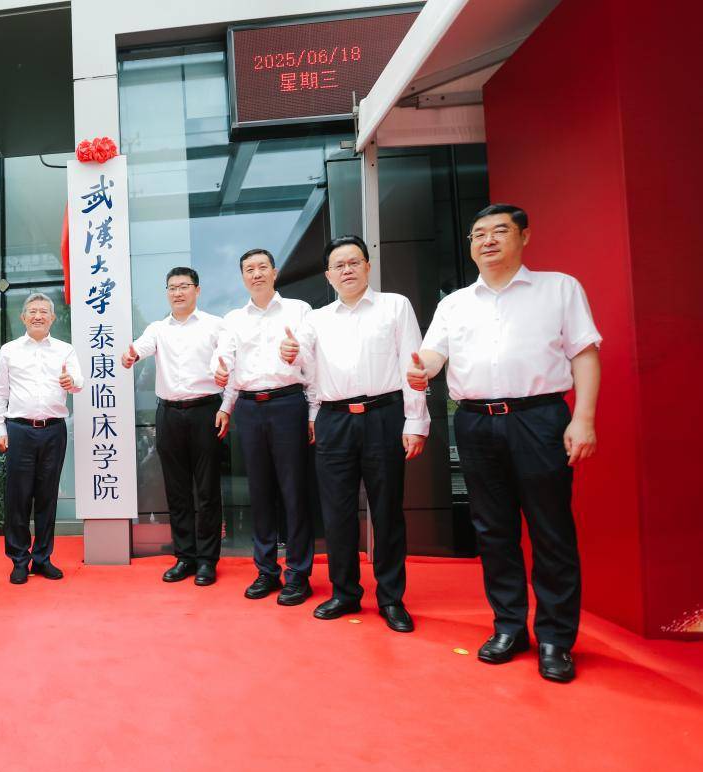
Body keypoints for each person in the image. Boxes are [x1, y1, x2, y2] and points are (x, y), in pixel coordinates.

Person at [409, 204, 600, 682]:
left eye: (499, 231)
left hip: (539, 419)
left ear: (524, 236)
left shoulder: (558, 288)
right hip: (475, 422)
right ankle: (509, 627)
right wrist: (421, 369)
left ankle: (555, 638)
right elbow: (433, 353)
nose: (487, 241)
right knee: (493, 530)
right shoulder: (455, 303)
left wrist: (583, 419)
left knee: (551, 529)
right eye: (478, 234)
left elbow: (585, 354)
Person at [283, 236, 428, 632]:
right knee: (337, 512)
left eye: (353, 262)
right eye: (338, 265)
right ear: (328, 275)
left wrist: (416, 422)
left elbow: (413, 367)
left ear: (367, 266)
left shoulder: (395, 306)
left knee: (387, 511)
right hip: (334, 420)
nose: (346, 270)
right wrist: (291, 355)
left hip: (384, 415)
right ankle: (344, 592)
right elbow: (306, 368)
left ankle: (391, 598)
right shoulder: (316, 319)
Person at [214, 248, 315, 605]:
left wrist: (313, 413)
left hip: (288, 403)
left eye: (261, 267)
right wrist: (225, 401)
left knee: (294, 491)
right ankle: (266, 570)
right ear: (243, 277)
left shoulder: (299, 310)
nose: (256, 274)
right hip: (249, 408)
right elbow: (226, 361)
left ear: (274, 272)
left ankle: (298, 574)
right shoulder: (233, 319)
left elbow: (314, 362)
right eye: (249, 269)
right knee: (259, 492)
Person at [121, 267, 231, 586]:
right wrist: (130, 355)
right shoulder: (158, 328)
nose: (178, 292)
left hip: (205, 411)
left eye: (184, 286)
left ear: (197, 290)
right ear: (167, 293)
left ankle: (207, 560)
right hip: (168, 414)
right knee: (176, 489)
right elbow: (140, 347)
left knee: (207, 490)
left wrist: (225, 397)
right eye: (172, 287)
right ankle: (185, 557)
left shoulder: (215, 325)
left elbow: (227, 361)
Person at [0, 293, 82, 584]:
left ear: (52, 318)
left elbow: (78, 382)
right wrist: (0, 429)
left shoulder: (65, 350)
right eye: (32, 311)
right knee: (18, 498)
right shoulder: (9, 350)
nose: (38, 316)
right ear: (23, 317)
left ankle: (43, 558)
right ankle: (19, 559)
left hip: (54, 430)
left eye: (44, 311)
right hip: (19, 430)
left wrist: (71, 382)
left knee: (47, 496)